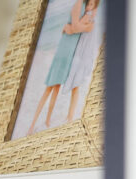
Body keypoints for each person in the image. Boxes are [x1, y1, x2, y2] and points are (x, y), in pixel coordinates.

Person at [27, 0, 94, 135]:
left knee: (56, 87)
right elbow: (75, 26)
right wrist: (84, 26)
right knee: (49, 88)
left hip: (70, 52)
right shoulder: (79, 4)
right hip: (64, 50)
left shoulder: (87, 10)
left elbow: (77, 28)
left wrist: (82, 26)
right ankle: (32, 125)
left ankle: (47, 121)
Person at [62, 0, 102, 122]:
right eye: (88, 5)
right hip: (83, 55)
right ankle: (70, 115)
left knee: (76, 86)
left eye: (91, 5)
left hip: (82, 56)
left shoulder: (88, 17)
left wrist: (67, 27)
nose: (88, 8)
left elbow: (76, 28)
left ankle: (70, 115)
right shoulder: (91, 18)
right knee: (76, 87)